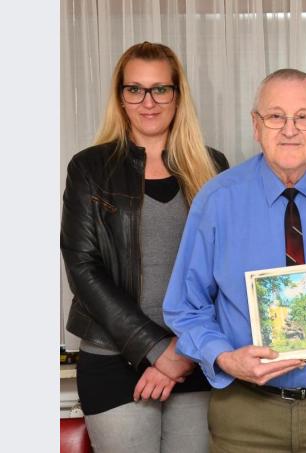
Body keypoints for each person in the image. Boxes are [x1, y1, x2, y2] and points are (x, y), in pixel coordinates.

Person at [162, 68, 306, 453]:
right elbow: (185, 308)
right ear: (256, 125)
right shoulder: (217, 200)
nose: (289, 129)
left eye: (303, 117)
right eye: (275, 116)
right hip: (244, 413)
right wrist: (224, 358)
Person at [61, 41, 229, 453]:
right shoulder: (90, 168)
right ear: (120, 97)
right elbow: (83, 267)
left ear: (177, 95)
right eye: (134, 89)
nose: (147, 102)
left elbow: (228, 271)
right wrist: (156, 349)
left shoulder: (214, 167)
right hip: (113, 359)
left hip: (196, 357)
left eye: (160, 89)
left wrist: (182, 354)